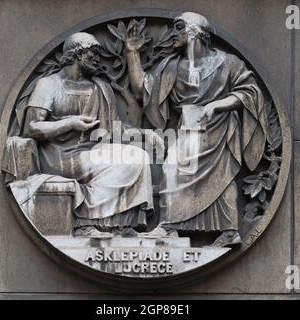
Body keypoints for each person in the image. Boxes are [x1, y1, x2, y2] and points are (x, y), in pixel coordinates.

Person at [126, 12, 267, 247]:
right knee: (172, 169)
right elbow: (142, 90)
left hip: (220, 127)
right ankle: (169, 226)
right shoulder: (171, 67)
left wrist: (217, 105)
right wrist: (132, 53)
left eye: (178, 28)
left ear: (195, 32)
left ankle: (230, 231)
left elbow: (250, 92)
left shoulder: (228, 63)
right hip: (189, 125)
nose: (172, 34)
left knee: (222, 177)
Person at [16, 32, 154, 238]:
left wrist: (146, 135)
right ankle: (84, 222)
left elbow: (115, 129)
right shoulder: (49, 85)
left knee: (138, 157)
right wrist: (70, 123)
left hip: (90, 151)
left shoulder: (99, 88)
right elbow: (32, 128)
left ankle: (119, 222)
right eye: (93, 54)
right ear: (77, 54)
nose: (97, 60)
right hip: (58, 156)